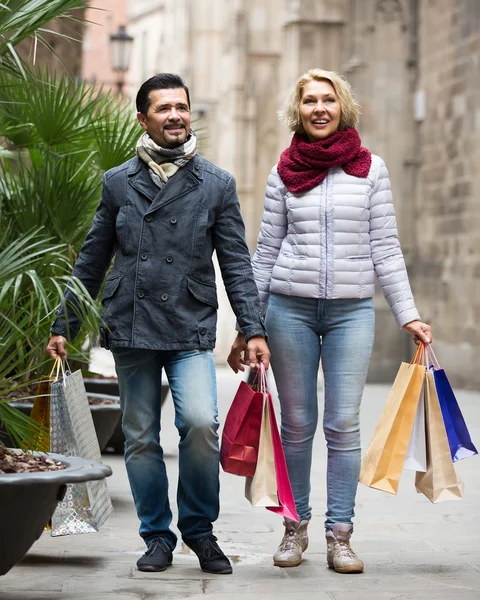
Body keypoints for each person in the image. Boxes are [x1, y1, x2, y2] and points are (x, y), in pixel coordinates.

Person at [46, 73, 270, 575]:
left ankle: (199, 529)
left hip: (189, 322)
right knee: (141, 435)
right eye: (164, 108)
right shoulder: (118, 182)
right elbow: (92, 259)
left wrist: (252, 329)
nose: (175, 116)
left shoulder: (216, 184)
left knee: (198, 424)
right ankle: (156, 536)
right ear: (143, 118)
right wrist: (65, 322)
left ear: (190, 114)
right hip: (131, 322)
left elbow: (236, 262)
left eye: (182, 107)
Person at [228, 68, 432, 574]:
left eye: (329, 100)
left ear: (343, 107)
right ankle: (294, 528)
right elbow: (266, 251)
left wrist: (408, 314)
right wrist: (249, 325)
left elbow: (385, 246)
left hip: (351, 312)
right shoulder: (284, 170)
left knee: (343, 424)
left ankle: (340, 535)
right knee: (297, 426)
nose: (319, 108)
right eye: (310, 101)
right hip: (288, 309)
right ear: (297, 112)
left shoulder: (372, 169)